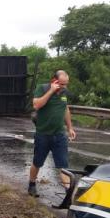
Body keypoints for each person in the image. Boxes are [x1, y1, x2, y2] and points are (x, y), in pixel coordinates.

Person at [28, 70, 76, 200]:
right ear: (54, 81)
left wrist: (70, 127)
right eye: (61, 84)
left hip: (59, 135)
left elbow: (65, 109)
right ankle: (32, 184)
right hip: (43, 134)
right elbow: (37, 105)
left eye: (66, 84)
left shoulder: (64, 93)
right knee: (37, 162)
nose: (64, 87)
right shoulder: (42, 88)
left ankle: (68, 193)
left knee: (63, 165)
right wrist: (51, 91)